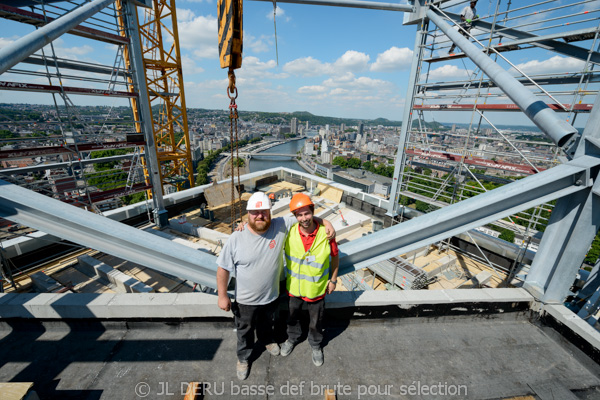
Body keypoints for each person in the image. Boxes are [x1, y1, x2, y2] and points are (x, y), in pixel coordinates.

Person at [216, 191, 334, 380]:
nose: (260, 216)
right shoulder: (236, 238)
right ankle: (243, 358)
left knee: (266, 324)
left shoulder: (279, 225)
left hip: (271, 295)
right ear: (248, 214)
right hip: (246, 300)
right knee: (244, 330)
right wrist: (222, 295)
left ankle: (267, 341)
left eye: (264, 211)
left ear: (270, 213)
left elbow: (303, 217)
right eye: (255, 213)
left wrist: (326, 222)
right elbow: (223, 268)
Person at [279, 193, 339, 367]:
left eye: (307, 213)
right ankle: (292, 338)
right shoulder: (289, 232)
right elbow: (265, 227)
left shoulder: (325, 234)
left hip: (316, 288)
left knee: (316, 320)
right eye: (299, 214)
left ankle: (315, 345)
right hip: (294, 288)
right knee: (292, 317)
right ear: (295, 216)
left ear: (313, 212)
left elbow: (335, 257)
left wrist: (333, 280)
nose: (304, 218)